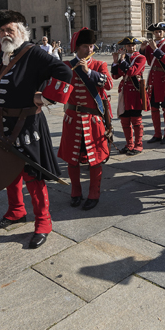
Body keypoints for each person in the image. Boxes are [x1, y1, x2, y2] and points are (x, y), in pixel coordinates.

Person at [0, 10, 73, 249]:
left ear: (21, 31)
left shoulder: (33, 53)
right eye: (1, 31)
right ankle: (16, 211)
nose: (5, 34)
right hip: (0, 127)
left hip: (27, 125)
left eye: (9, 30)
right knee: (8, 173)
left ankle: (44, 222)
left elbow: (65, 72)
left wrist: (46, 97)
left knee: (33, 177)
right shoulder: (4, 57)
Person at [60, 28, 113, 210]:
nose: (89, 50)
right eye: (85, 46)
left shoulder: (99, 65)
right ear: (77, 47)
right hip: (73, 119)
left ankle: (94, 193)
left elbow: (109, 84)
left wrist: (89, 72)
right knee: (72, 159)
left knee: (95, 159)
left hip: (93, 120)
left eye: (91, 46)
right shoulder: (67, 66)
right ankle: (75, 192)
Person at [111, 36, 148, 156]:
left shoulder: (140, 57)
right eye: (128, 45)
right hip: (125, 92)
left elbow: (132, 71)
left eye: (133, 45)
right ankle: (129, 144)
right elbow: (115, 76)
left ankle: (138, 145)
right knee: (125, 120)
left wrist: (122, 61)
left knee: (136, 120)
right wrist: (115, 61)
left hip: (135, 92)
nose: (131, 47)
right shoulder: (124, 59)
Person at [141, 22, 165, 145]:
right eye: (156, 32)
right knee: (154, 108)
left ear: (164, 32)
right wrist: (143, 49)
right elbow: (149, 62)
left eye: (160, 31)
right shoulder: (150, 46)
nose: (158, 33)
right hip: (154, 80)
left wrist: (155, 49)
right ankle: (157, 134)